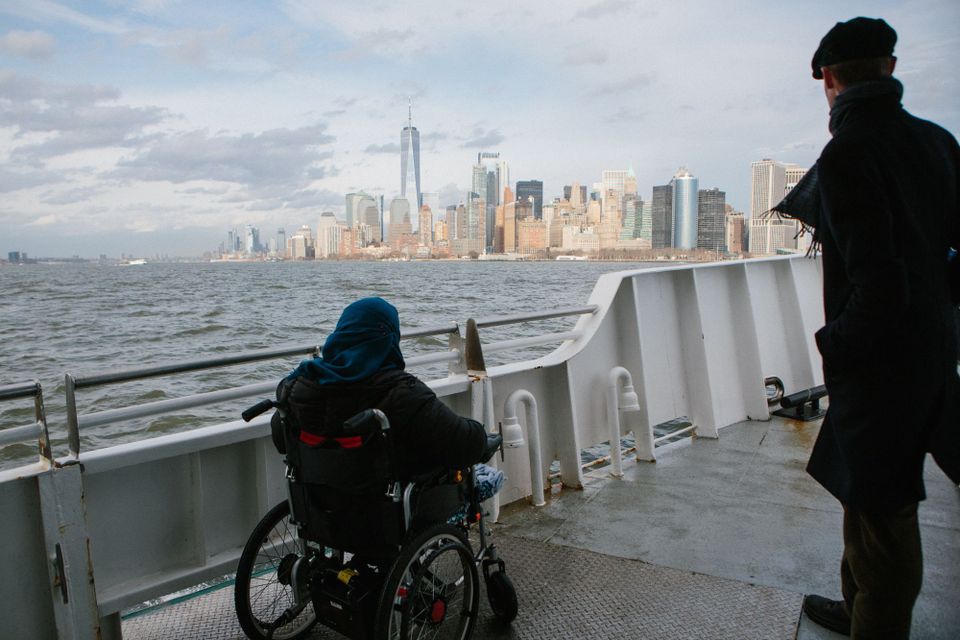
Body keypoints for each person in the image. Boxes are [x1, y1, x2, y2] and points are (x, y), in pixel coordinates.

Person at [791, 17, 960, 639]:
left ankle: (873, 615)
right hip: (933, 357)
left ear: (829, 80)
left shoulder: (849, 153)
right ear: (890, 69)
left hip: (880, 371)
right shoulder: (939, 143)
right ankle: (853, 598)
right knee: (861, 494)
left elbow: (878, 282)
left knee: (885, 523)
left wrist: (835, 344)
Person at [279, 296, 498, 490]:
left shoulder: (299, 386)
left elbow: (282, 441)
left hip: (321, 510)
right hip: (382, 512)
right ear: (390, 339)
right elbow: (461, 444)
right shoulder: (401, 392)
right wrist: (482, 436)